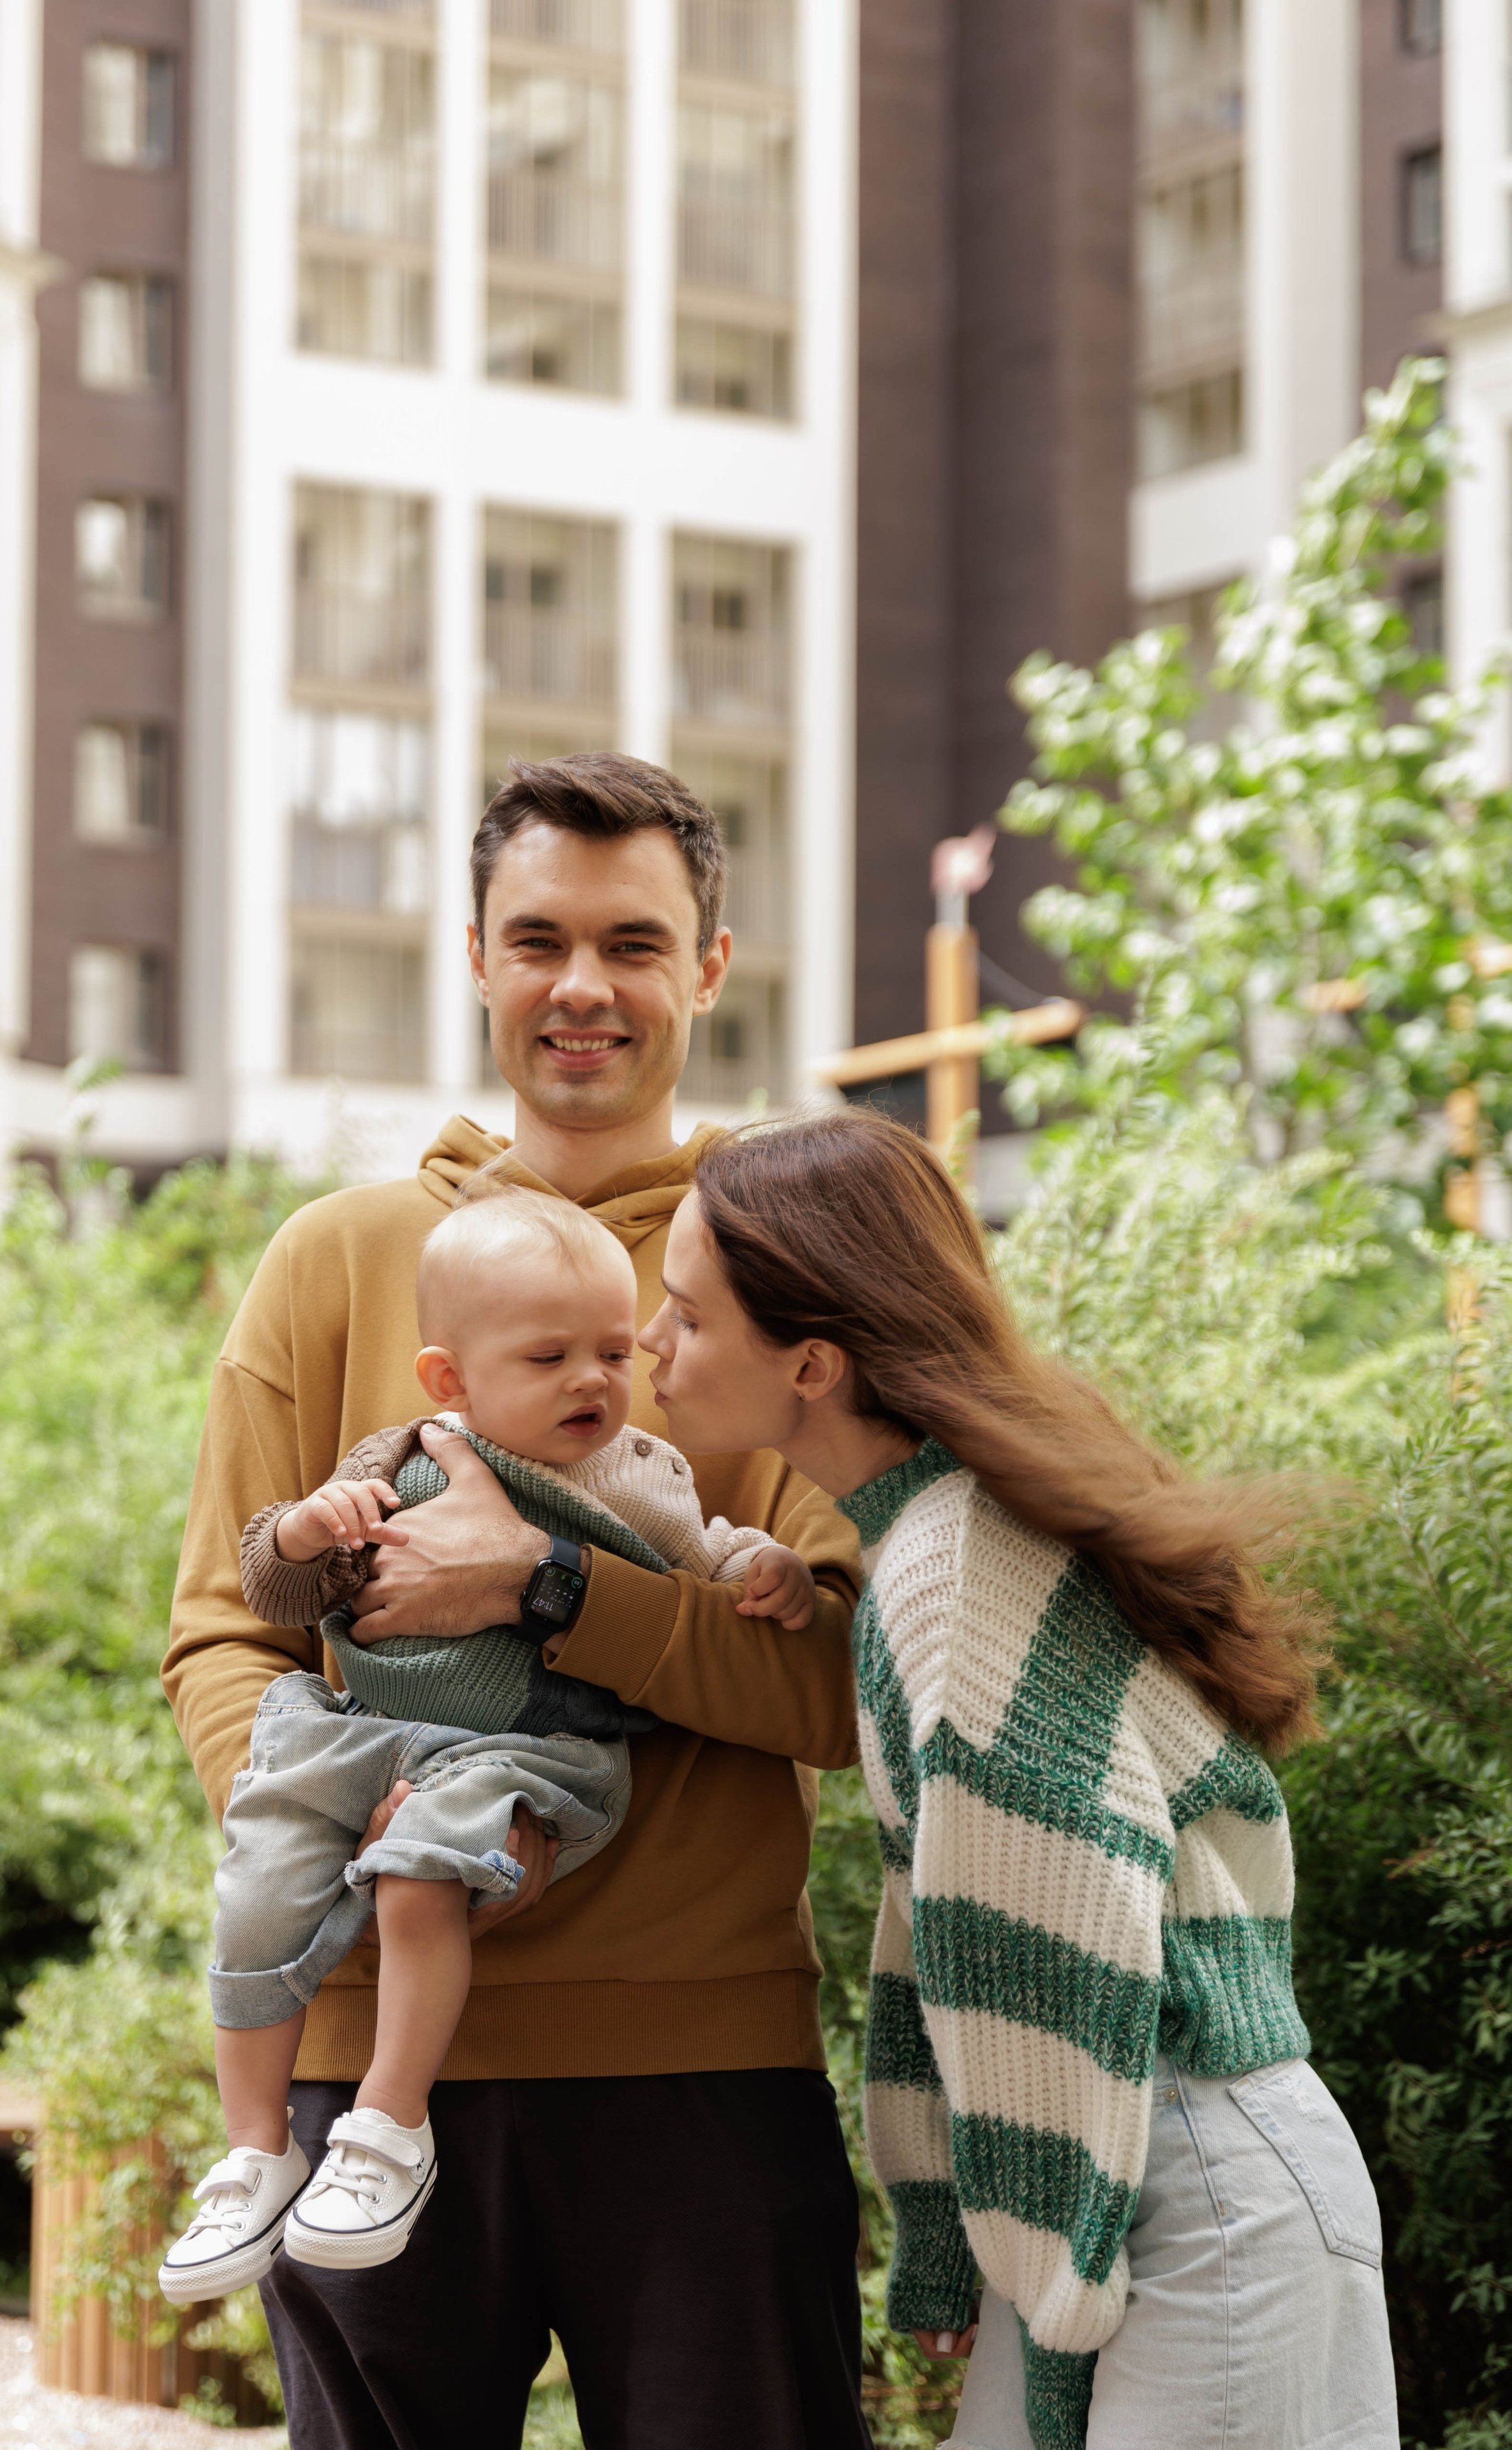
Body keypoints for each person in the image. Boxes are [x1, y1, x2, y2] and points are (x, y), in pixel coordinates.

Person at [163, 754, 873, 2450]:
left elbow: (842, 1693)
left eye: (634, 944)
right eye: (537, 938)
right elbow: (221, 1629)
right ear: (473, 956)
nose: (581, 988)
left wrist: (551, 1587)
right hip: (369, 2069)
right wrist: (340, 1833)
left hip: (697, 2056)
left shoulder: (782, 1271)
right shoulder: (335, 1260)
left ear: (710, 965)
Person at [639, 1106, 1400, 2450]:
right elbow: (941, 1921)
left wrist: (1045, 2283)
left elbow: (1052, 1944)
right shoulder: (930, 1546)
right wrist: (952, 2232)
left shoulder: (948, 1571)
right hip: (1130, 2167)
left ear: (809, 1362)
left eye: (685, 1318)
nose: (649, 1343)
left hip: (1174, 2182)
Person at [158, 1180, 815, 2301]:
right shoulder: (391, 1451)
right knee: (261, 1879)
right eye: (548, 1358)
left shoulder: (639, 1477)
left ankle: (386, 2124)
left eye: (615, 1352)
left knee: (423, 1877)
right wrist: (312, 1531)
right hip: (368, 1741)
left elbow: (715, 1560)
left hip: (534, 1761)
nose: (593, 1382)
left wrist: (768, 1568)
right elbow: (259, 1590)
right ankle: (254, 2151)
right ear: (448, 1379)